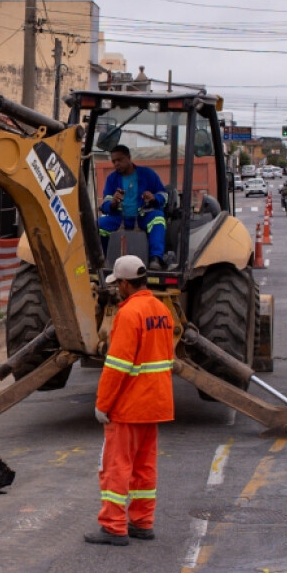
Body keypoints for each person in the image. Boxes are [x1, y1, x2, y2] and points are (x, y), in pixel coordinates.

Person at [84, 256, 175, 546]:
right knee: (144, 467)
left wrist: (103, 404)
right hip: (155, 404)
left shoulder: (128, 314)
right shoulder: (161, 311)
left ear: (124, 283)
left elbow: (117, 366)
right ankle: (142, 522)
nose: (116, 290)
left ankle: (113, 526)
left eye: (117, 284)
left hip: (129, 407)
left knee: (116, 467)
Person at [97, 145, 168, 270]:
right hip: (120, 219)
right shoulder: (111, 179)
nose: (116, 164)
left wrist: (154, 197)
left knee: (158, 218)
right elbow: (106, 202)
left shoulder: (148, 174)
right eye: (114, 161)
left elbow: (164, 195)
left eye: (120, 160)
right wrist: (112, 203)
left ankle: (155, 258)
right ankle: (103, 259)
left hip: (142, 217)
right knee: (99, 225)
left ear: (129, 158)